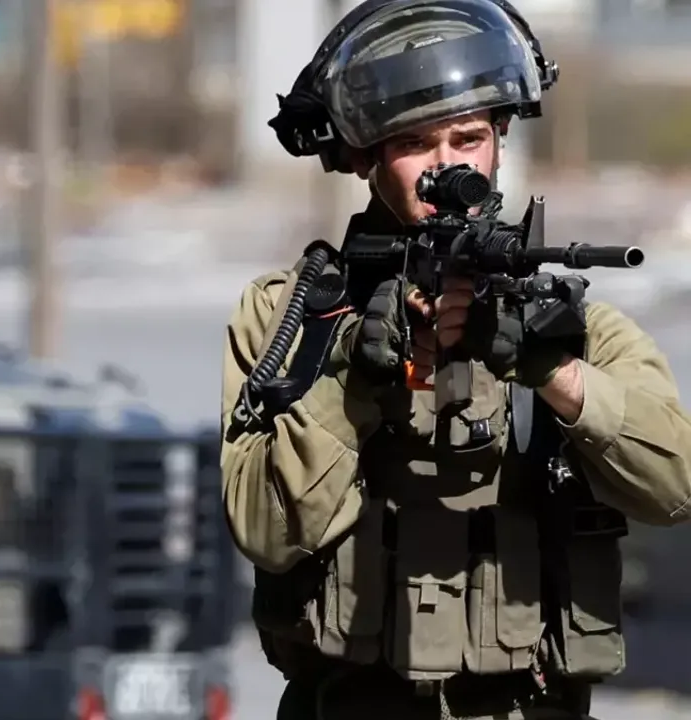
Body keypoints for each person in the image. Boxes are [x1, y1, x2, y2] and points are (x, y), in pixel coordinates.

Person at [220, 1, 691, 718]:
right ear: (365, 156)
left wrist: (553, 374)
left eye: (467, 138)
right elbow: (263, 530)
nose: (447, 167)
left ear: (500, 140)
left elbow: (675, 487)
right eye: (415, 143)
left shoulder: (573, 326)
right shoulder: (295, 317)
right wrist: (355, 379)